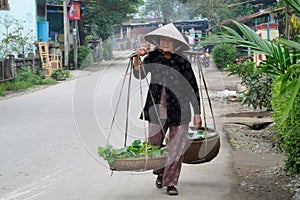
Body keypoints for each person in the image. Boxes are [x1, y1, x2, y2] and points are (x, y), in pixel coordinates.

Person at [132, 23, 202, 196]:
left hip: (180, 109)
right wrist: (137, 58)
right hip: (157, 107)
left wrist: (197, 113)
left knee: (176, 147)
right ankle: (160, 170)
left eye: (169, 40)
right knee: (154, 144)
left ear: (176, 43)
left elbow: (193, 88)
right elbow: (139, 74)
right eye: (162, 39)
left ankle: (170, 182)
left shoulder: (183, 61)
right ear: (157, 41)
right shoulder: (153, 57)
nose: (165, 42)